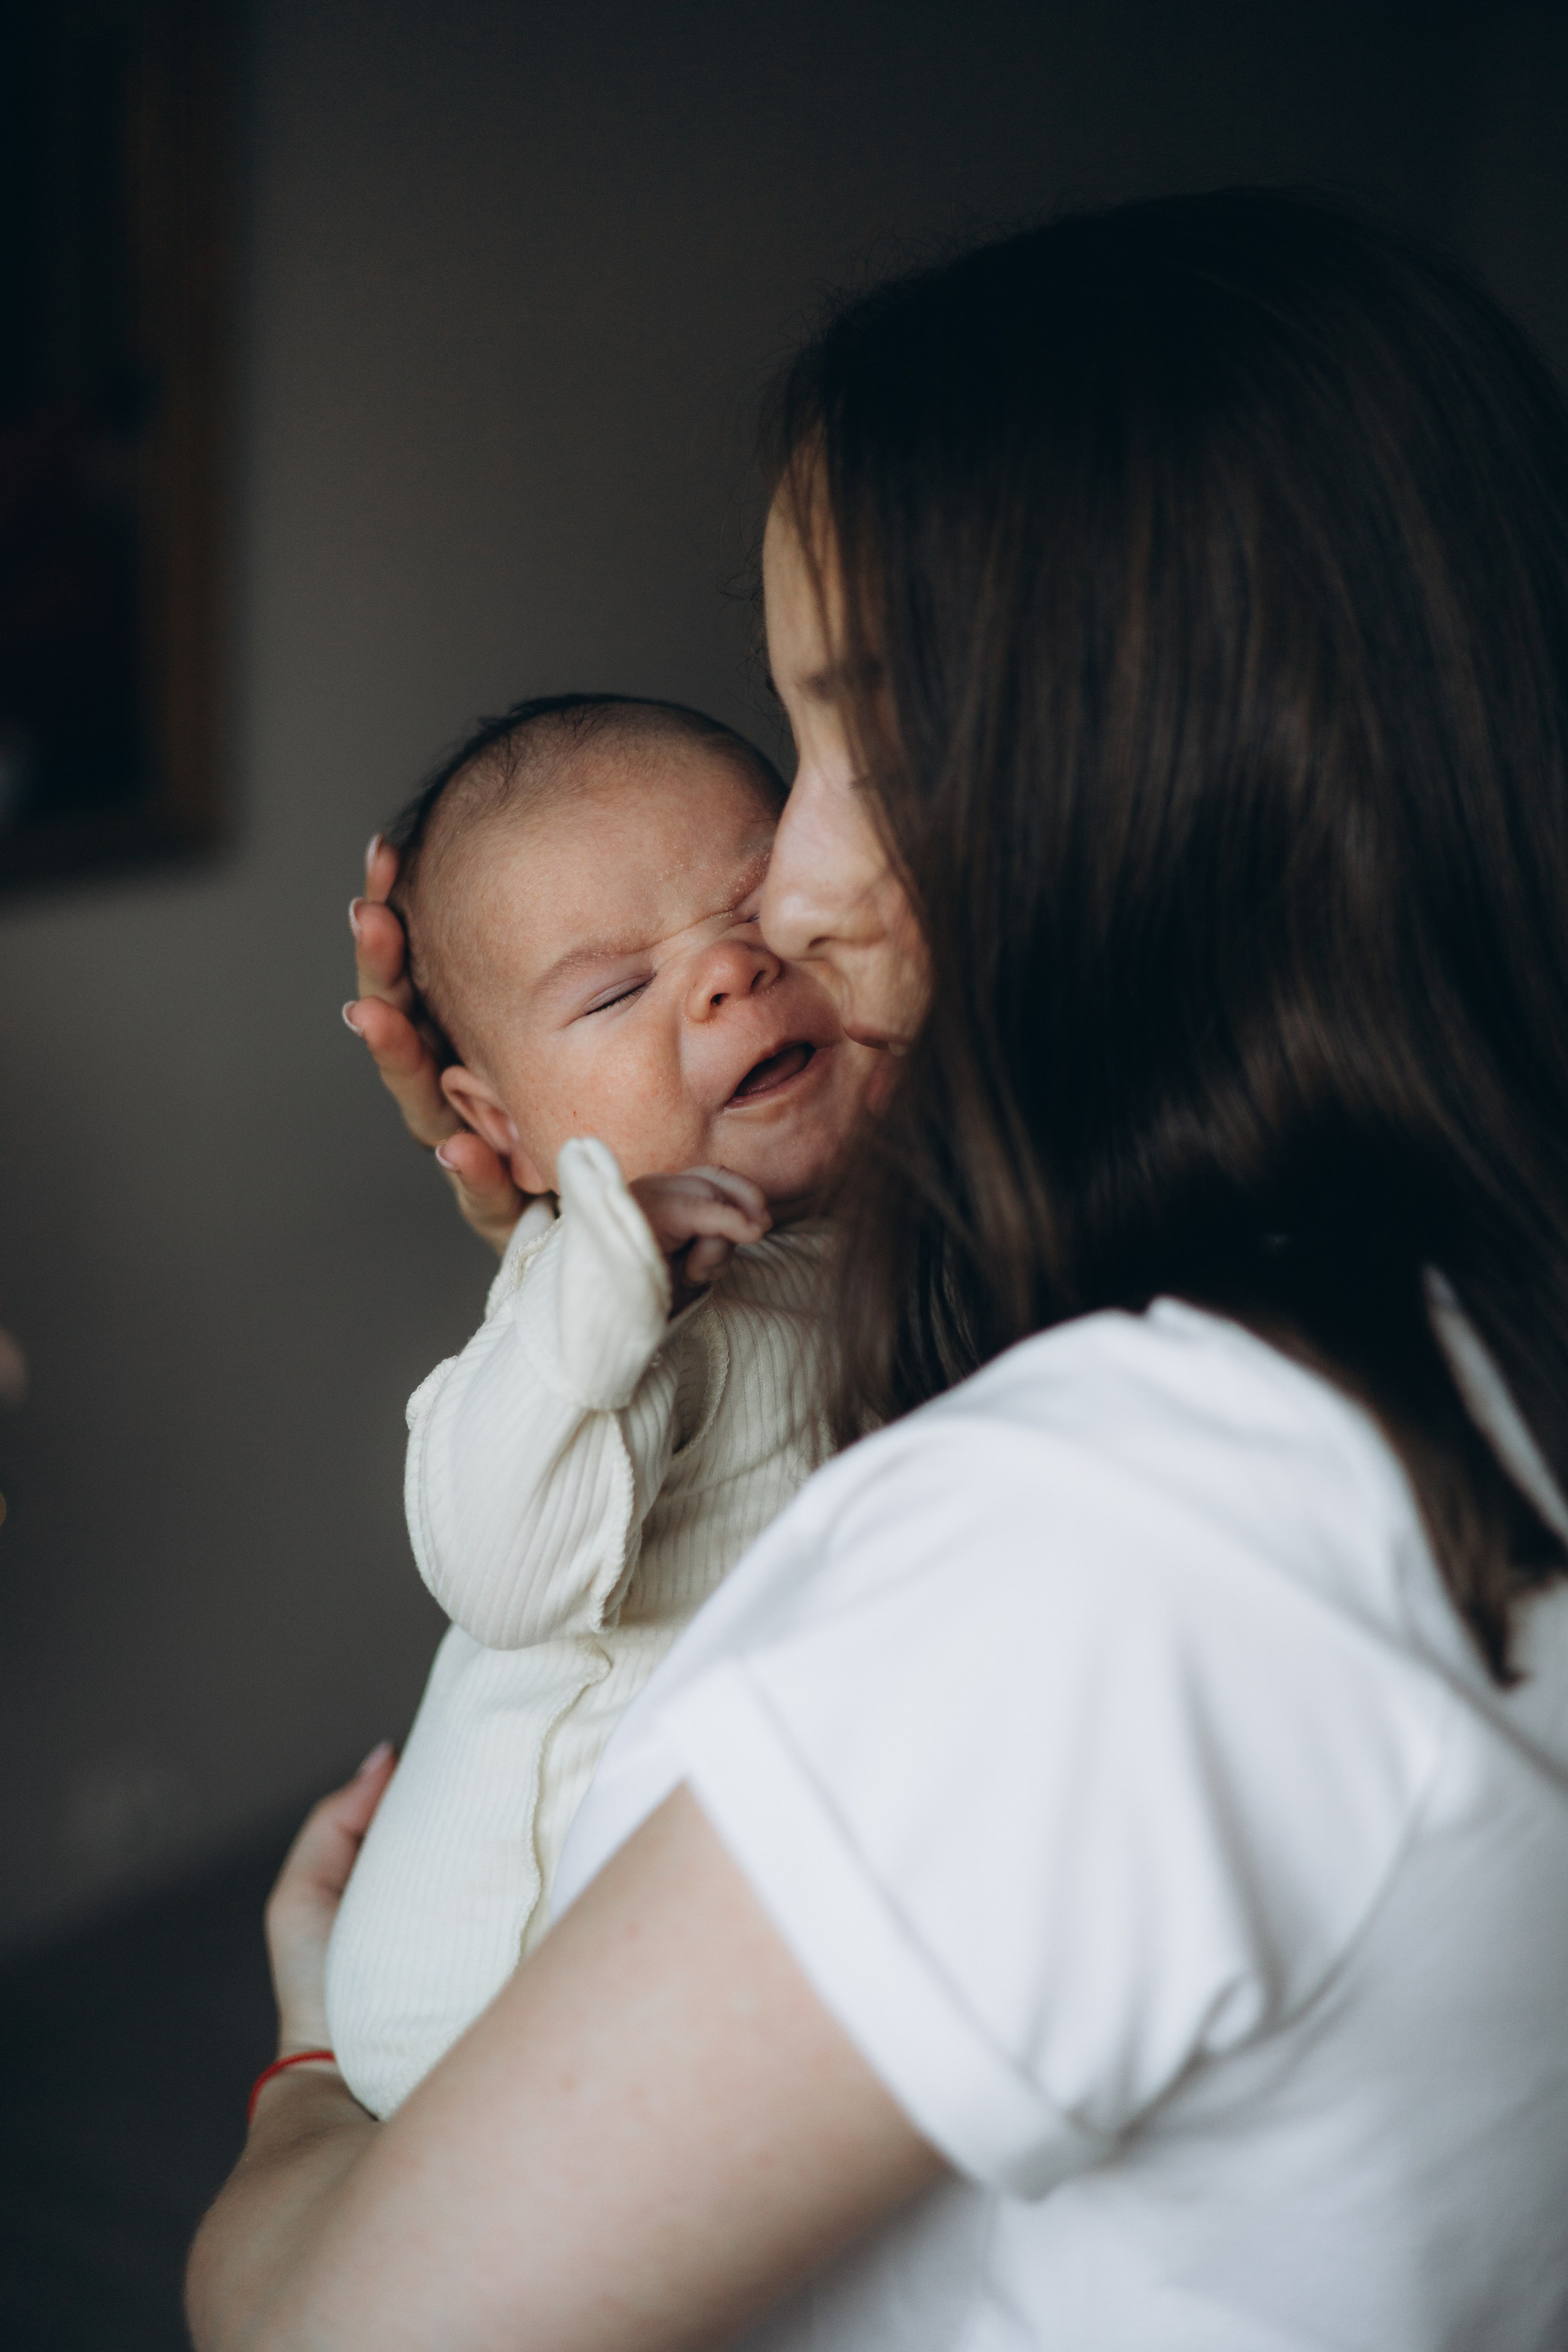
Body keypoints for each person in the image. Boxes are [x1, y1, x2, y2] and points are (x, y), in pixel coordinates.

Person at [188, 189, 1568, 2350]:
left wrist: (299, 2098)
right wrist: (619, 1259)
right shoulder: (1459, 1325)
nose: (791, 893)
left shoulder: (1087, 1551)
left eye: (858, 738)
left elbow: (334, 2331)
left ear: (1161, 773)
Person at [326, 691, 878, 2117]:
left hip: (712, 1923)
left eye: (758, 914)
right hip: (498, 1986)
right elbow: (499, 1572)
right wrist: (609, 1291)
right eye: (615, 990)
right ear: (498, 1125)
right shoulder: (602, 1292)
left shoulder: (895, 1219)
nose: (726, 980)